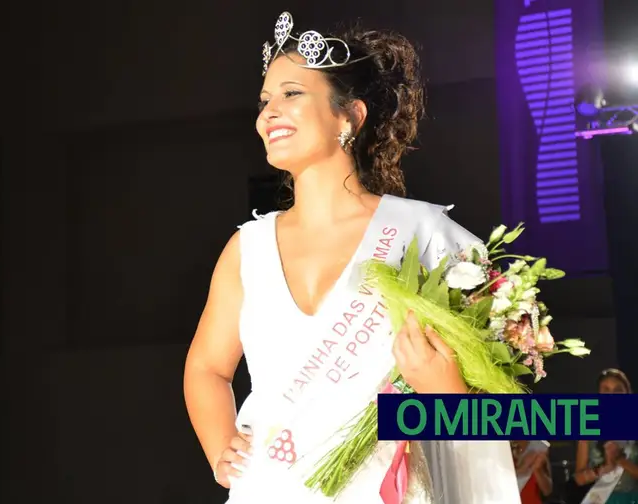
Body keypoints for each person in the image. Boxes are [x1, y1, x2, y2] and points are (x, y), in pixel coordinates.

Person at [183, 11, 520, 504]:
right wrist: (220, 450)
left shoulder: (422, 235)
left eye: (291, 94)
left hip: (384, 488)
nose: (268, 113)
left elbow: (501, 414)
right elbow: (207, 368)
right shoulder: (247, 249)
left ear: (350, 116)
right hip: (271, 488)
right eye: (264, 101)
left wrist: (445, 390)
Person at [574, 369, 638, 504]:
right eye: (606, 390)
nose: (612, 395)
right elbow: (579, 478)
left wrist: (620, 460)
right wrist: (601, 470)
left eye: (618, 390)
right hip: (600, 499)